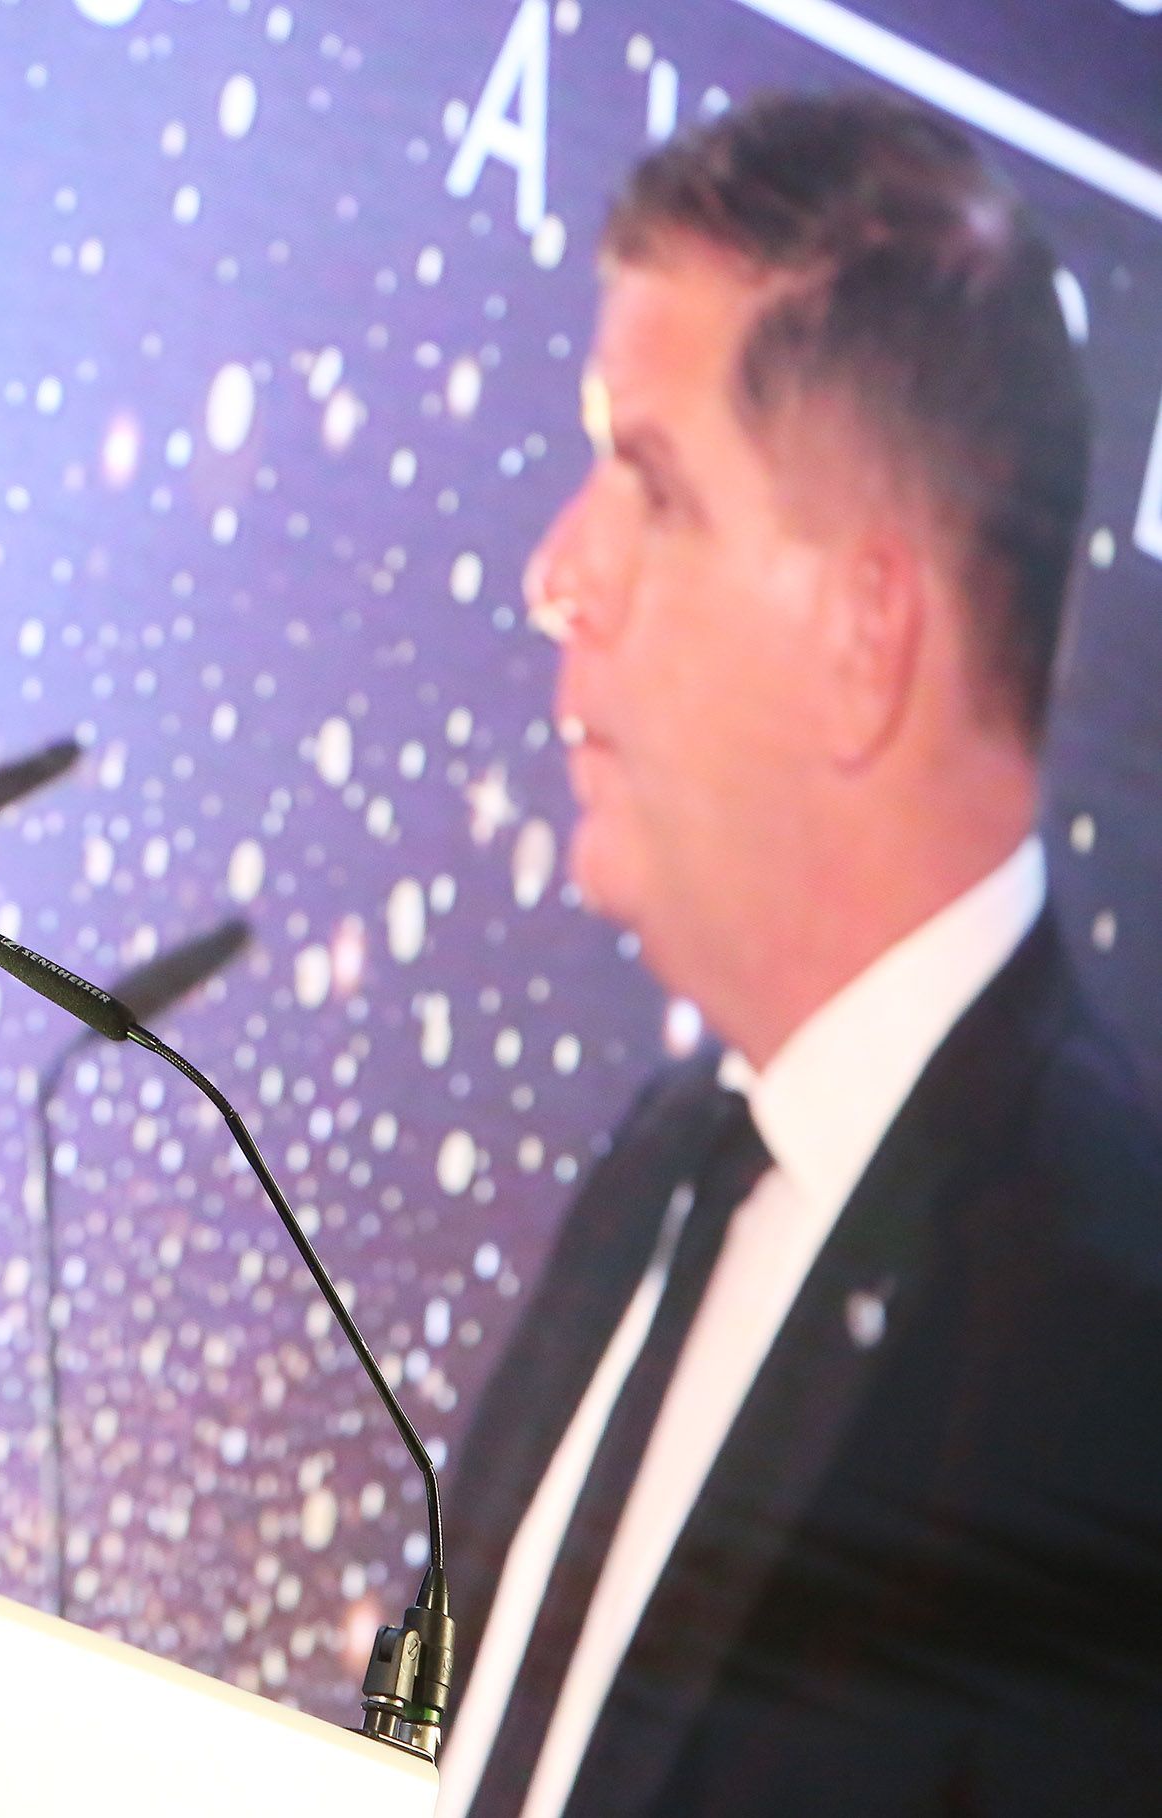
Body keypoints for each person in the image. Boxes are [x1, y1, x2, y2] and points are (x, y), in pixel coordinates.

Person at [436, 93, 1162, 1816]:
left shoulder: (1112, 1349)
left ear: (866, 633)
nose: (561, 572)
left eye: (654, 485)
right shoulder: (664, 1172)